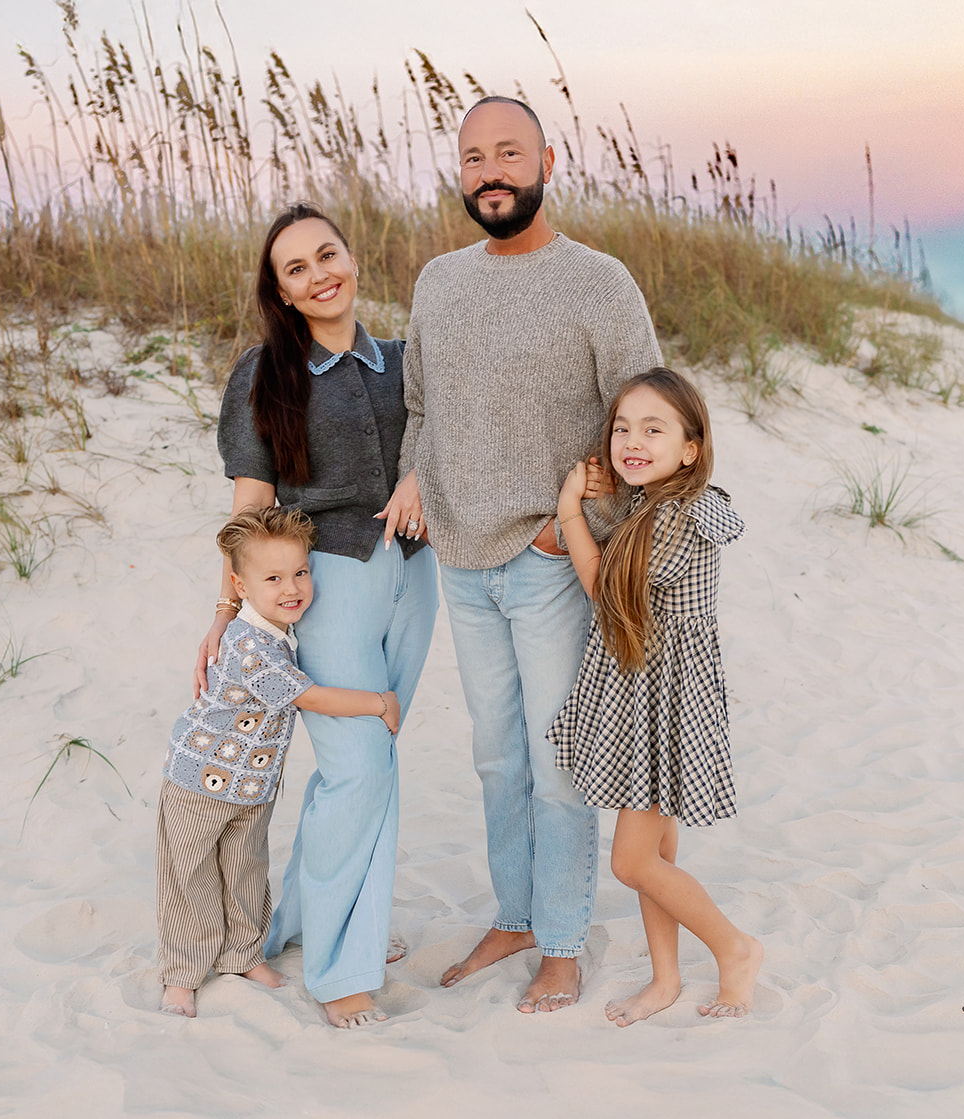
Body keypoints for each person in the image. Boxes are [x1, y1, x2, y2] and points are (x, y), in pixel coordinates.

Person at [381, 95, 663, 1013]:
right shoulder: (438, 280)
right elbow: (421, 405)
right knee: (496, 756)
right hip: (459, 558)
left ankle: (563, 942)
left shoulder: (600, 282)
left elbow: (645, 420)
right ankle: (514, 912)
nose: (490, 172)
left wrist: (570, 522)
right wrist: (415, 474)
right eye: (473, 158)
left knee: (554, 759)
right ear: (459, 173)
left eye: (508, 153)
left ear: (547, 158)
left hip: (548, 561)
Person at [199, 203, 439, 1029]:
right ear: (282, 292)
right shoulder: (264, 373)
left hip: (417, 572)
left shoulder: (407, 359)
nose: (318, 274)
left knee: (376, 755)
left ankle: (300, 920)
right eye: (295, 269)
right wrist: (228, 612)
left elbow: (443, 443)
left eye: (326, 254)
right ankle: (342, 970)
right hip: (329, 578)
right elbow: (251, 508)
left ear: (351, 257)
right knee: (358, 765)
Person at [548, 368, 763, 1026]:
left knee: (632, 860)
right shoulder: (655, 506)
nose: (632, 440)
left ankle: (736, 947)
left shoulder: (677, 516)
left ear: (690, 447)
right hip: (651, 692)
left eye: (654, 428)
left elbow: (606, 596)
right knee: (658, 854)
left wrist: (568, 514)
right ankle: (665, 977)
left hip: (663, 698)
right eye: (622, 428)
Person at [158, 506, 402, 1019]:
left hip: (250, 788)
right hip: (198, 783)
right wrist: (379, 702)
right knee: (191, 878)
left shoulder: (277, 631)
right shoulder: (249, 644)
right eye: (273, 578)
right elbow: (308, 697)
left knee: (247, 871)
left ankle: (243, 955)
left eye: (300, 572)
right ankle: (182, 975)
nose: (292, 588)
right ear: (240, 586)